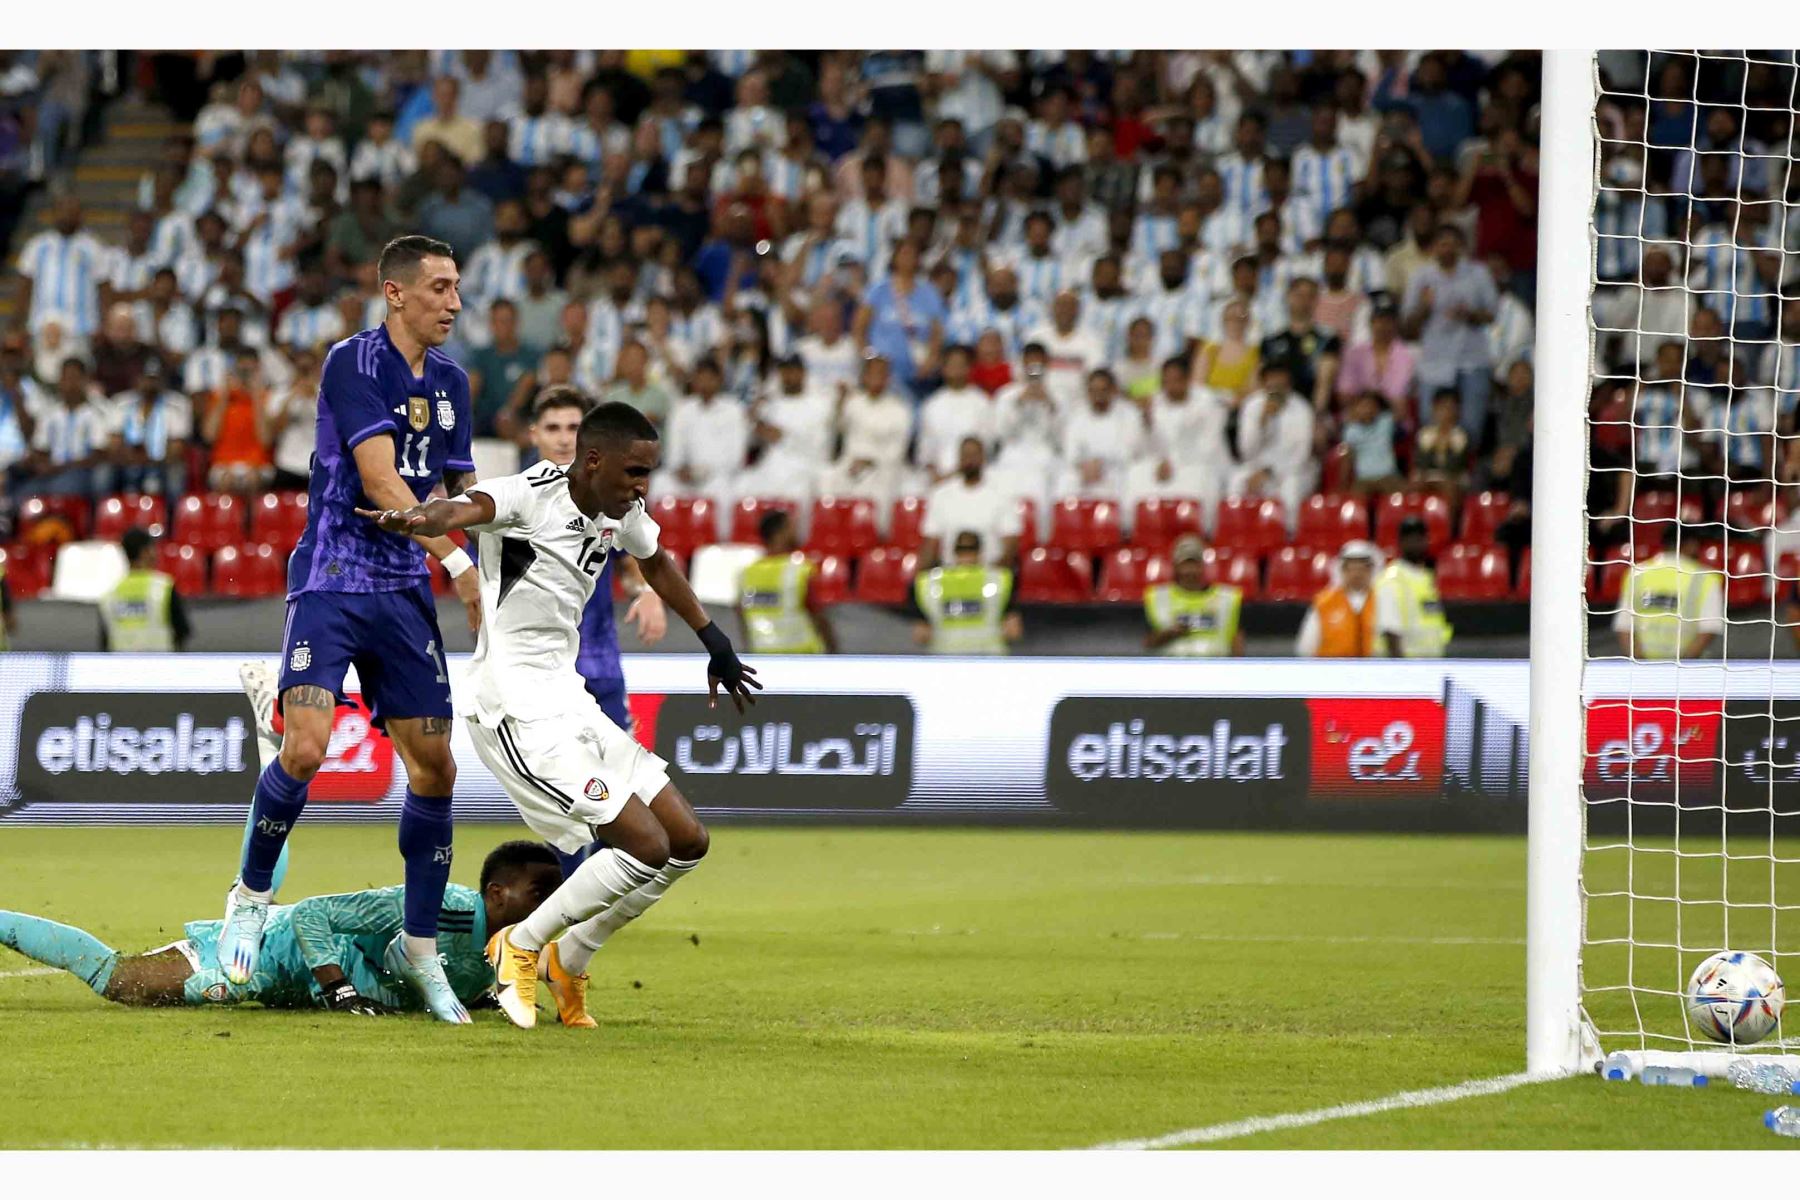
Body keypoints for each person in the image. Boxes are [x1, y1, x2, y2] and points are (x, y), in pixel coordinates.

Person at [358, 400, 760, 1030]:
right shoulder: (527, 496)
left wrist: (714, 639)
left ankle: (570, 954)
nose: (641, 486)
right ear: (592, 460)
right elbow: (467, 510)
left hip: (570, 700)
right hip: (514, 708)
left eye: (647, 473)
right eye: (634, 471)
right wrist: (422, 517)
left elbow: (654, 560)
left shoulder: (620, 510)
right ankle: (518, 945)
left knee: (686, 841)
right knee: (643, 844)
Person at [218, 235, 483, 1025]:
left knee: (434, 768)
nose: (455, 302)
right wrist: (463, 565)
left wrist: (504, 533)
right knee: (307, 747)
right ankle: (251, 895)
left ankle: (421, 949)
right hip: (333, 577)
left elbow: (461, 486)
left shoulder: (453, 384)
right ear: (395, 293)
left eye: (457, 287)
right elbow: (380, 482)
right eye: (440, 287)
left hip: (403, 592)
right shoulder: (351, 363)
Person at [0, 841, 561, 1015]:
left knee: (252, 896)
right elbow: (316, 915)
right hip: (270, 957)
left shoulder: (508, 953)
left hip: (288, 985)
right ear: (495, 893)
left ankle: (251, 892)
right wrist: (337, 984)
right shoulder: (440, 904)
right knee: (122, 982)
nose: (549, 907)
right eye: (539, 894)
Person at [525, 387, 667, 735]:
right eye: (553, 428)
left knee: (622, 784)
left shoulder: (610, 499)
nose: (562, 439)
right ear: (534, 434)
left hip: (598, 668)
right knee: (547, 786)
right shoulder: (511, 501)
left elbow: (633, 562)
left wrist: (645, 591)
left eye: (573, 428)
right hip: (536, 675)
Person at [1616, 524, 1725, 661]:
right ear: (1692, 544)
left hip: (1643, 668)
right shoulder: (1706, 578)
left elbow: (1624, 627)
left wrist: (1641, 665)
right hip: (1685, 668)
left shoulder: (1636, 573)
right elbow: (1709, 629)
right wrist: (1681, 665)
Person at [737, 509, 837, 655]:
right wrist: (832, 648)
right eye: (792, 527)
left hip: (763, 653)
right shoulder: (801, 569)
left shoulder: (746, 573)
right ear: (781, 533)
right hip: (803, 653)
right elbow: (817, 614)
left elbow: (742, 618)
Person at [909, 529, 1021, 654]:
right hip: (988, 657)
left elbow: (920, 634)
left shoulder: (929, 582)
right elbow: (1014, 631)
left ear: (953, 552)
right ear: (980, 552)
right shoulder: (1000, 579)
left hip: (945, 657)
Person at [920, 437, 1022, 569]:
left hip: (990, 575)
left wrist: (997, 574)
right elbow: (931, 542)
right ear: (959, 458)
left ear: (983, 458)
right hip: (949, 575)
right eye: (965, 455)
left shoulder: (1001, 495)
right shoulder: (941, 495)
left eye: (974, 455)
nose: (970, 460)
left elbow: (1010, 544)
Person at [1143, 533, 1245, 657]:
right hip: (1173, 670)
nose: (1190, 570)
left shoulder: (1228, 598)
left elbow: (1237, 643)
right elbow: (1147, 643)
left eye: (1194, 563)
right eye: (1185, 564)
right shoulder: (1157, 597)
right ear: (1175, 566)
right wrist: (1169, 634)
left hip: (1216, 670)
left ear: (1202, 566)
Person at [98, 526, 190, 652]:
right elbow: (182, 633)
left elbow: (105, 643)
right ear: (146, 552)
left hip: (121, 669)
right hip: (160, 668)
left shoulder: (109, 596)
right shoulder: (164, 588)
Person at [1375, 515, 1452, 658]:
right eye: (1410, 539)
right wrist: (1403, 671)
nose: (1416, 543)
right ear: (1401, 542)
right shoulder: (1391, 579)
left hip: (1428, 665)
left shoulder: (1426, 578)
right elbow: (1390, 632)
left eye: (1420, 538)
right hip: (1407, 669)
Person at [1296, 541, 1382, 657]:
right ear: (1342, 570)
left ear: (1371, 570)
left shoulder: (1382, 601)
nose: (1357, 574)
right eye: (1351, 568)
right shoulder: (1324, 603)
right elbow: (1306, 648)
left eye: (1362, 568)